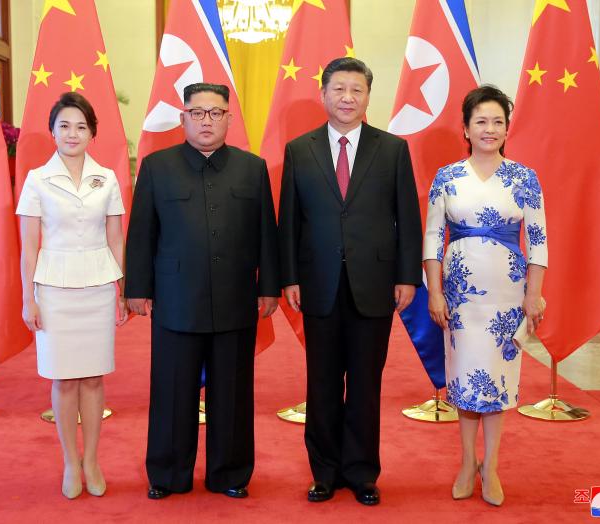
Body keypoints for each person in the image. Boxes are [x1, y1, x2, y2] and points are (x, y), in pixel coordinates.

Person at [278, 57, 422, 506]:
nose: (347, 98)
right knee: (320, 382)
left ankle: (361, 472)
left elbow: (407, 218)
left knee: (364, 383)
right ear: (323, 94)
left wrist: (406, 275)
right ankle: (323, 471)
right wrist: (289, 277)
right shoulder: (300, 150)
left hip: (374, 283)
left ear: (367, 97)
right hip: (317, 282)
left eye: (356, 90)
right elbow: (290, 222)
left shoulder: (392, 149)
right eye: (338, 89)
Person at [125, 83, 279, 501]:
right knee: (172, 391)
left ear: (229, 118)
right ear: (184, 119)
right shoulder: (157, 167)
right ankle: (168, 474)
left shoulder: (252, 168)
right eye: (198, 113)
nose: (207, 120)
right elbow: (142, 233)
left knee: (232, 392)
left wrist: (269, 289)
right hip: (176, 300)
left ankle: (229, 474)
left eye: (216, 113)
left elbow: (267, 233)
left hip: (235, 300)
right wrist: (137, 288)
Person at [424, 85, 548, 506]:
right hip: (459, 298)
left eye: (498, 121)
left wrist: (534, 295)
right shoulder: (447, 177)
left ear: (507, 128)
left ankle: (491, 465)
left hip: (506, 296)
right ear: (465, 128)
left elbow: (538, 240)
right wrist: (435, 292)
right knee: (462, 380)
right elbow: (432, 237)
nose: (489, 129)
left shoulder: (524, 177)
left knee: (496, 383)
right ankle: (465, 462)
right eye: (481, 121)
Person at [17, 92, 128, 499]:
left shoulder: (108, 178)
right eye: (64, 125)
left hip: (99, 286)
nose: (72, 133)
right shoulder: (36, 179)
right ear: (52, 131)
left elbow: (116, 236)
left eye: (81, 126)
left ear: (92, 133)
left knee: (94, 378)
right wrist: (29, 298)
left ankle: (92, 459)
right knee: (64, 381)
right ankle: (69, 460)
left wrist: (121, 288)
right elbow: (29, 245)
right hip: (54, 288)